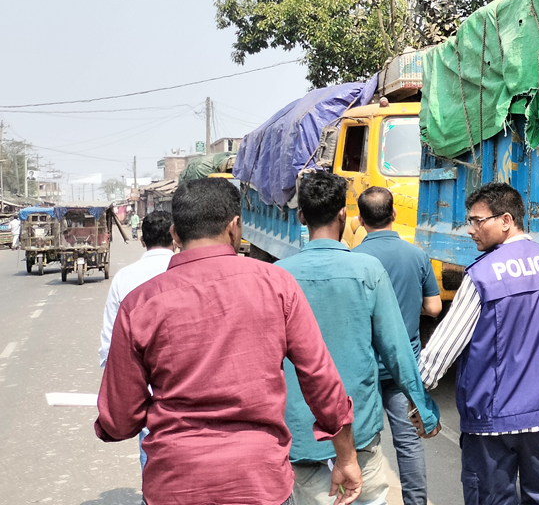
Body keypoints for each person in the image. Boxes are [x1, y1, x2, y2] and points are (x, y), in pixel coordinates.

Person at [96, 178, 363, 505]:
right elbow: (319, 377)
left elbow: (119, 420)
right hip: (259, 483)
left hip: (176, 486)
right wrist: (346, 457)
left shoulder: (140, 304)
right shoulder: (277, 285)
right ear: (235, 227)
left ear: (175, 234)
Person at [418, 182, 539, 505]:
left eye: (477, 221)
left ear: (505, 220)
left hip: (491, 422)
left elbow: (443, 348)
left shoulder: (482, 275)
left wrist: (419, 393)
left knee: (491, 499)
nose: (471, 230)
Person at [278, 172, 440, 505]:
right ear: (343, 215)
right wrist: (422, 407)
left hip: (300, 426)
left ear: (301, 217)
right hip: (357, 427)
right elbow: (396, 349)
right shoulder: (366, 270)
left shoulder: (278, 275)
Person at [351, 186, 442, 505]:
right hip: (404, 368)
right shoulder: (417, 254)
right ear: (394, 214)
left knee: (362, 443)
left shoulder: (355, 259)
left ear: (360, 220)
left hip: (365, 370)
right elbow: (433, 309)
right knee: (409, 443)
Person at [97, 211, 176, 472]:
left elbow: (110, 343)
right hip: (189, 391)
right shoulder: (187, 271)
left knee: (152, 463)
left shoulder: (125, 278)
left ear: (143, 241)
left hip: (148, 393)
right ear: (175, 236)